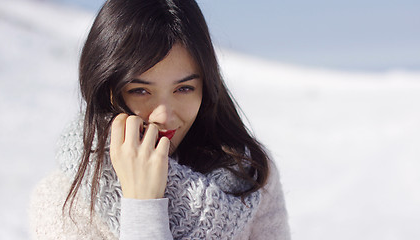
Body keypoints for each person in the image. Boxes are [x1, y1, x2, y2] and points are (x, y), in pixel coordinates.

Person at [29, 0, 290, 239]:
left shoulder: (248, 174)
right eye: (140, 91)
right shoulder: (63, 201)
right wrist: (142, 206)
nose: (164, 115)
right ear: (107, 91)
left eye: (184, 88)